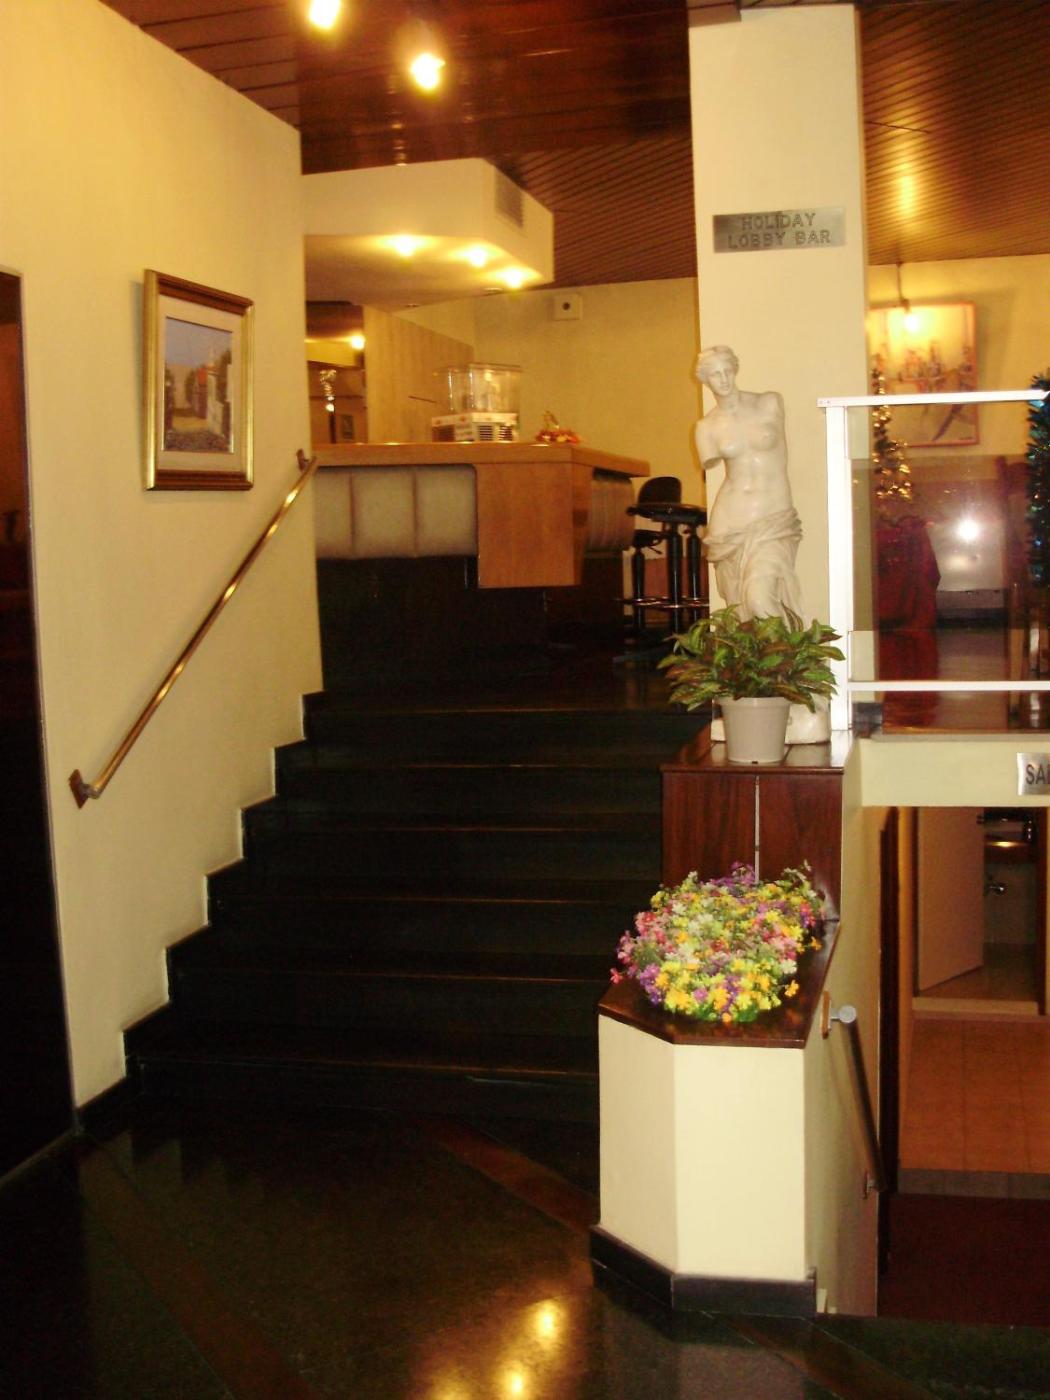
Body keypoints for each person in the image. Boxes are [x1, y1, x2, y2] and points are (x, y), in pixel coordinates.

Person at [694, 346, 804, 622]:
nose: (724, 379)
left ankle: (786, 649)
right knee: (740, 614)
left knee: (759, 599)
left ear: (735, 370)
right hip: (730, 523)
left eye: (727, 371)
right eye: (715, 374)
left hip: (773, 516)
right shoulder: (705, 428)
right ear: (705, 380)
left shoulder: (769, 403)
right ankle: (771, 651)